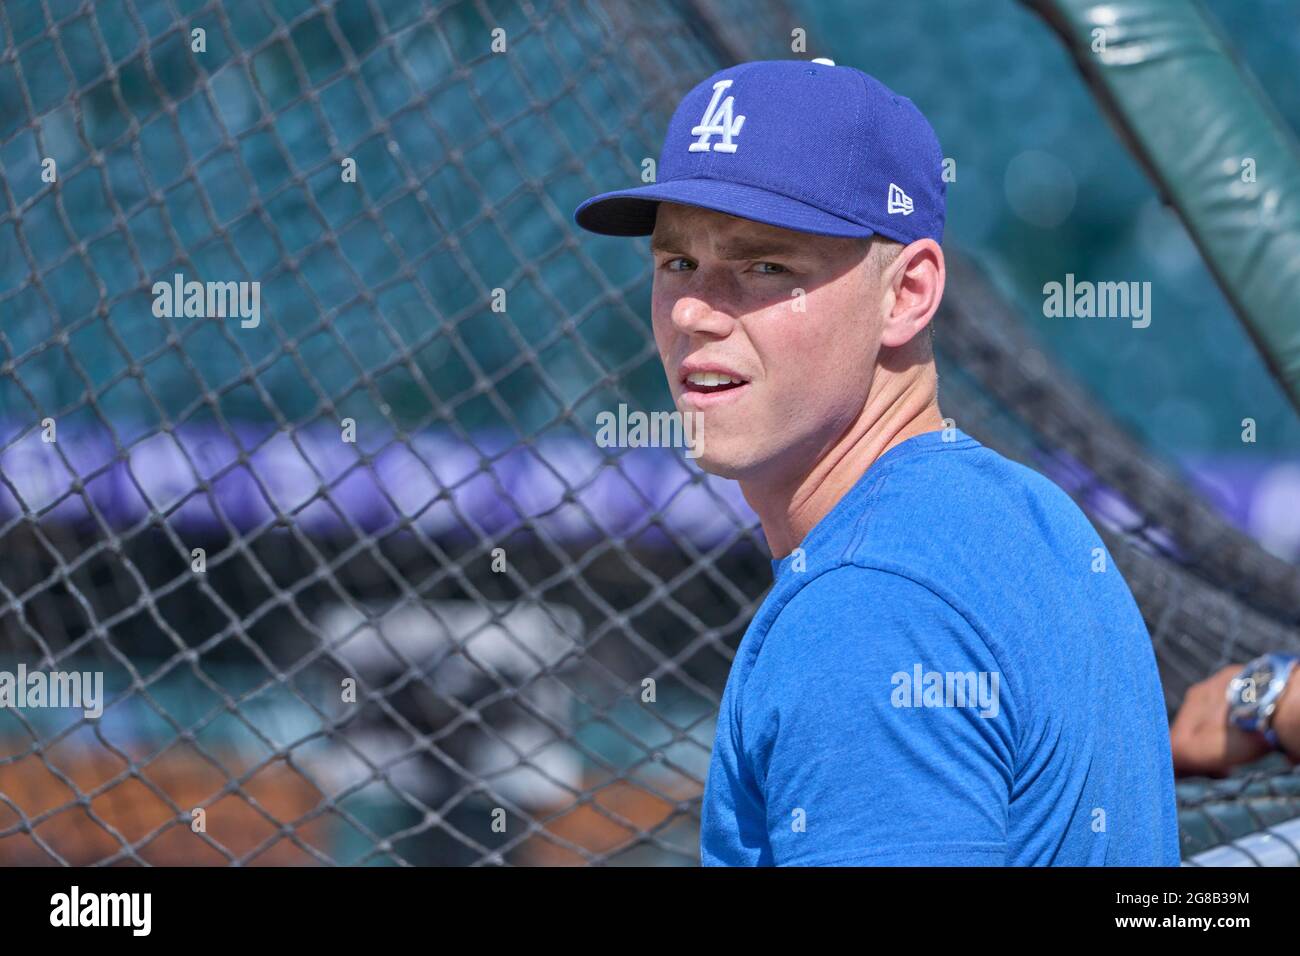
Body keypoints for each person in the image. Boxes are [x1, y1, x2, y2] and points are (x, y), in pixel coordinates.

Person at [574, 59, 1180, 865]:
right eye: (677, 262)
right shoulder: (1026, 510)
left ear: (907, 294)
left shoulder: (867, 612)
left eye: (763, 267)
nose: (690, 311)